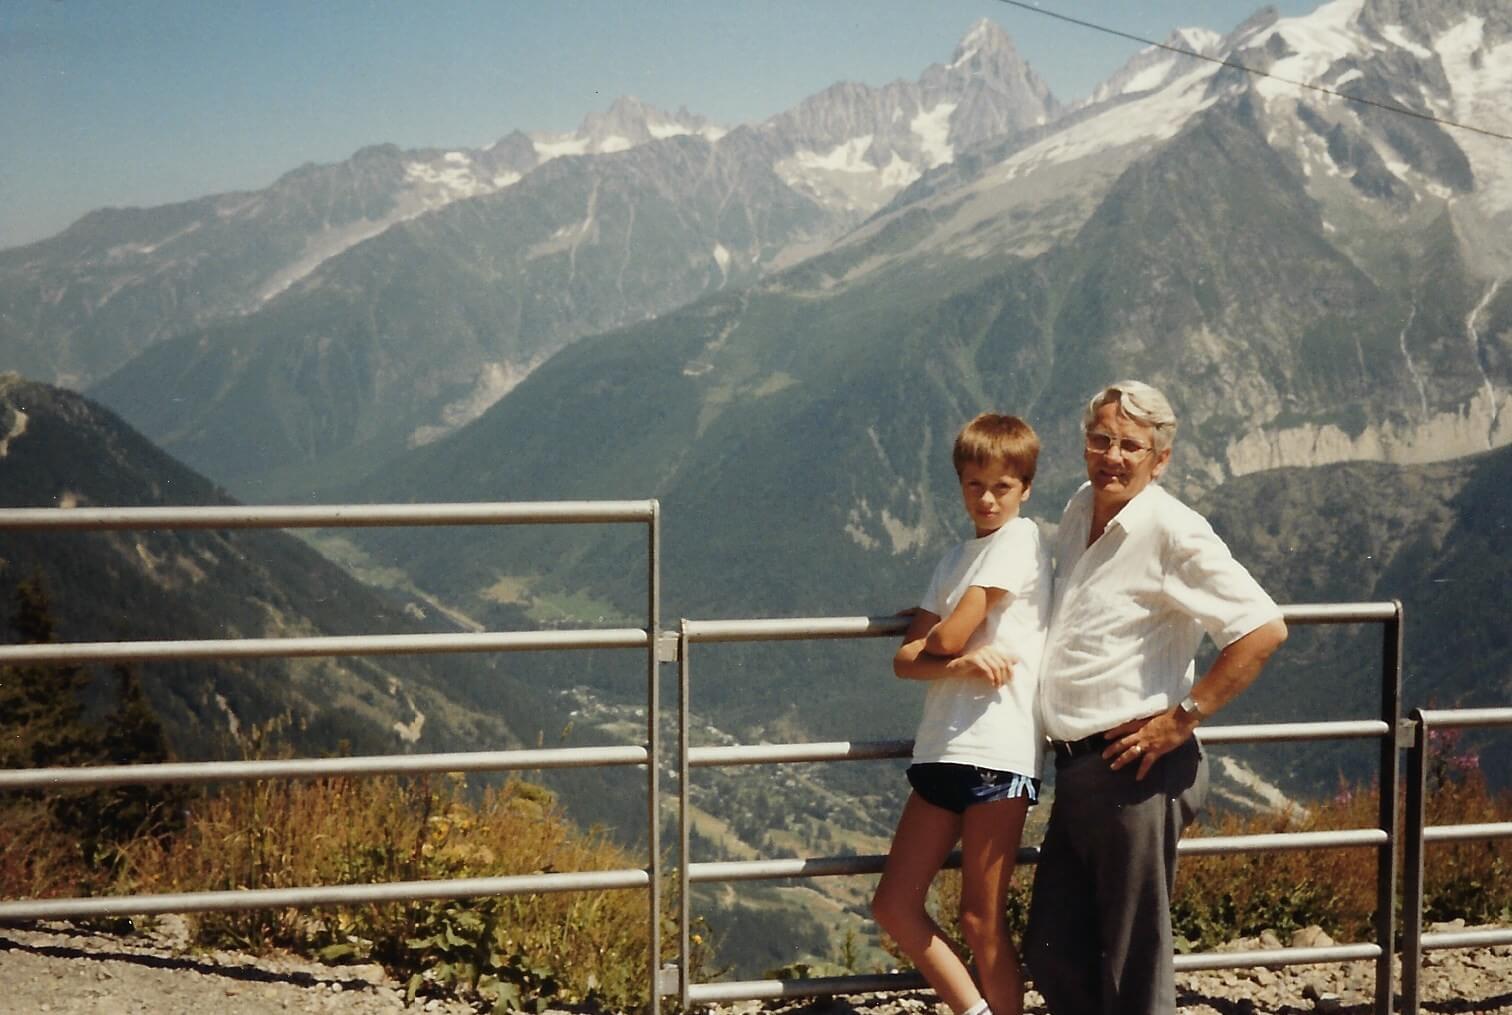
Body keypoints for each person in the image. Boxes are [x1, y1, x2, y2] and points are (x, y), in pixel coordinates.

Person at [1023, 381, 1289, 1015]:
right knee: (1054, 948)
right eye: (1100, 439)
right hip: (1082, 769)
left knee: (1133, 966)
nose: (1112, 456)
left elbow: (1263, 628)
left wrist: (1183, 718)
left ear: (1160, 459)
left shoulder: (1173, 530)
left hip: (1136, 771)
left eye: (1131, 446)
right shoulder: (1081, 504)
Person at [872, 412, 1053, 1015]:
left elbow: (945, 637)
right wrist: (957, 664)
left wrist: (948, 651)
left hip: (999, 749)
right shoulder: (954, 559)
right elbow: (907, 661)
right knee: (893, 903)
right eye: (974, 484)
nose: (987, 498)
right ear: (960, 483)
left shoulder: (1021, 541)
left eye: (1002, 486)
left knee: (982, 919)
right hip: (942, 745)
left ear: (1025, 488)